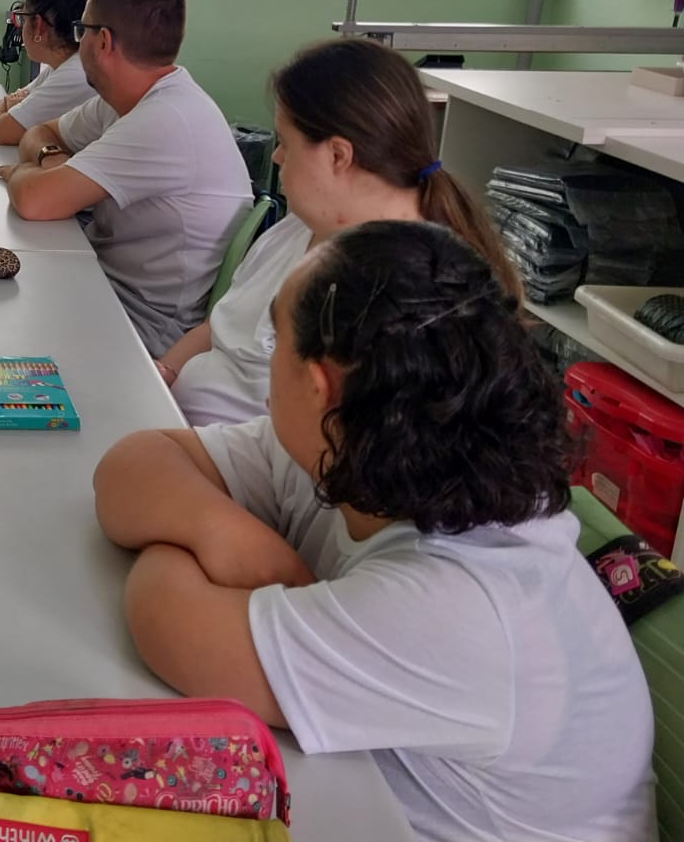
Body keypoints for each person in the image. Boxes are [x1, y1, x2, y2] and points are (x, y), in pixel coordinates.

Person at [93, 220, 654, 842]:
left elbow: (168, 628)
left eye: (275, 340)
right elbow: (133, 465)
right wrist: (224, 532)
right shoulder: (367, 442)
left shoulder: (459, 600)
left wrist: (182, 531)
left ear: (318, 384)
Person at [159, 36, 520, 426]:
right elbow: (219, 327)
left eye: (285, 143)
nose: (276, 157)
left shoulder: (400, 297)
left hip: (240, 457)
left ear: (337, 155)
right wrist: (164, 373)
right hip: (185, 424)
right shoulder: (299, 226)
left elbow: (317, 444)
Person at [0, 0, 252, 354]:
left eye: (82, 30)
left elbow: (33, 200)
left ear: (103, 42)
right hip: (102, 279)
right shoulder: (126, 99)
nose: (78, 42)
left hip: (142, 325)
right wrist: (51, 162)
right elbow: (38, 134)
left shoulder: (165, 120)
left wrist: (25, 174)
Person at [0, 0, 94, 145]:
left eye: (23, 19)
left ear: (39, 26)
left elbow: (5, 131)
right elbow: (13, 98)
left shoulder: (75, 73)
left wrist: (10, 107)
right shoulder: (60, 65)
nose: (21, 27)